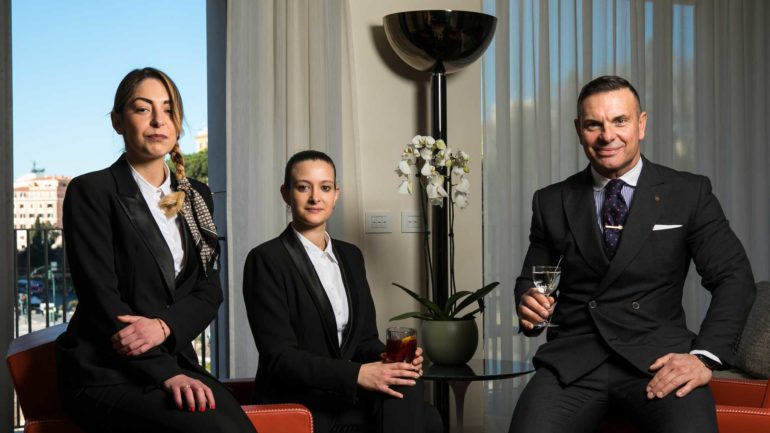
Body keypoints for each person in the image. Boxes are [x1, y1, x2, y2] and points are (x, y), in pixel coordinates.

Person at [509, 75, 755, 433]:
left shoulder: (688, 192)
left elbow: (734, 277)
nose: (607, 135)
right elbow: (532, 281)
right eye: (594, 124)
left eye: (619, 121)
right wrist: (528, 304)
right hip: (573, 362)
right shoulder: (550, 201)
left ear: (641, 124)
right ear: (579, 130)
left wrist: (703, 357)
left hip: (659, 360)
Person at [55, 67, 256, 433]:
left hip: (173, 358)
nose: (158, 120)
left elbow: (209, 290)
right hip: (105, 370)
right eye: (142, 108)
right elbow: (101, 299)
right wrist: (165, 374)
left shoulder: (196, 196)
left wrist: (164, 327)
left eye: (168, 109)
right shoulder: (91, 192)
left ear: (177, 123)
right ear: (118, 121)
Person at [243, 150, 442, 433]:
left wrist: (391, 360)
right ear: (286, 194)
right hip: (303, 403)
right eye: (303, 187)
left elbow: (365, 340)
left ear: (336, 194)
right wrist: (358, 374)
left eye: (325, 187)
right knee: (426, 418)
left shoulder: (351, 256)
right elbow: (280, 358)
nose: (315, 197)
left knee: (409, 385)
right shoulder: (266, 259)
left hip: (348, 398)